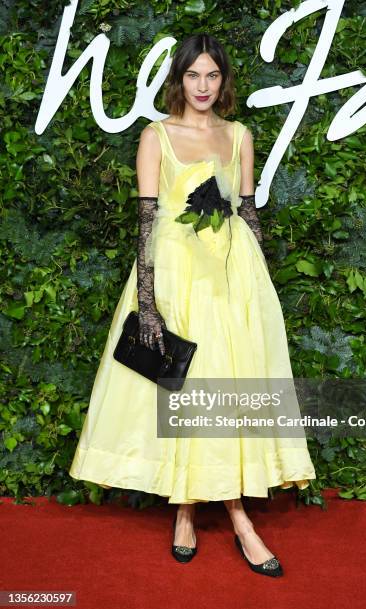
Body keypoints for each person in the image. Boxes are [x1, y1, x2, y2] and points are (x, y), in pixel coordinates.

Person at [69, 33, 316, 577]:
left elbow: (247, 210)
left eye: (212, 76)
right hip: (179, 276)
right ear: (178, 79)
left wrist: (260, 287)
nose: (203, 86)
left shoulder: (239, 134)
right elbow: (148, 221)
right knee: (192, 389)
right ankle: (217, 514)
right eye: (192, 75)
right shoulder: (157, 136)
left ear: (223, 80)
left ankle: (203, 510)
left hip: (233, 276)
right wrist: (149, 304)